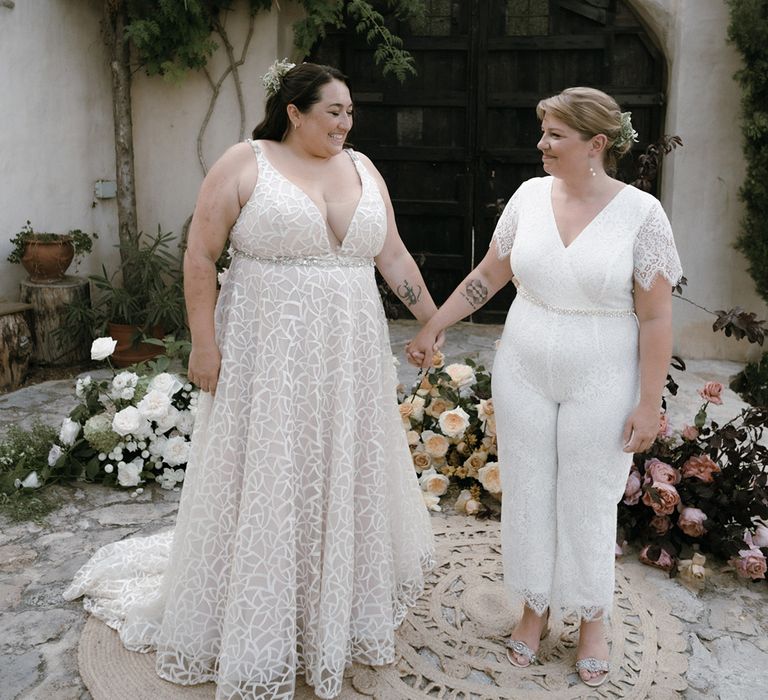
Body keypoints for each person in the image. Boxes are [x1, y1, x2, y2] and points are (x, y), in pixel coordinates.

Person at [65, 61, 436, 700]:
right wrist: (204, 344)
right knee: (269, 471)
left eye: (351, 112)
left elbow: (393, 253)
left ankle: (334, 607)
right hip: (269, 356)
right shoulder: (245, 163)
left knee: (338, 469)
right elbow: (200, 254)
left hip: (348, 358)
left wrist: (430, 316)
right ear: (295, 111)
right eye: (334, 112)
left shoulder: (364, 168)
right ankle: (260, 616)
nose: (346, 123)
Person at [406, 86, 682, 688]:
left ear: (597, 144)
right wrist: (435, 323)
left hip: (603, 372)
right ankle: (534, 609)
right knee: (529, 488)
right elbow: (489, 274)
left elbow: (657, 315)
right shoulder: (530, 197)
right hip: (524, 368)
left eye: (555, 135)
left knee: (587, 497)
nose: (542, 145)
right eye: (544, 132)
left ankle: (591, 622)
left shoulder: (641, 214)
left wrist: (647, 401)